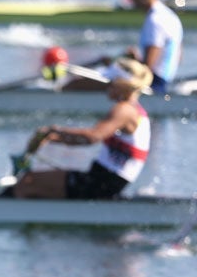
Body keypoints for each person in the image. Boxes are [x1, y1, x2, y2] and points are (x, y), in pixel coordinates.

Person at [12, 58, 154, 199]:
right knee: (36, 183)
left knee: (26, 182)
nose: (106, 87)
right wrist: (54, 138)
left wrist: (54, 131)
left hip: (102, 184)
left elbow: (92, 137)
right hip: (105, 181)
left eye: (110, 83)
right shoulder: (135, 111)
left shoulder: (124, 110)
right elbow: (87, 139)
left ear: (122, 85)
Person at [65, 0, 183, 94]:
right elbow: (178, 58)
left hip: (152, 85)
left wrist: (122, 62)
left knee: (76, 84)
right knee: (105, 67)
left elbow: (147, 68)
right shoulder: (170, 16)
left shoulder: (155, 21)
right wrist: (133, 58)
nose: (130, 0)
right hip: (162, 81)